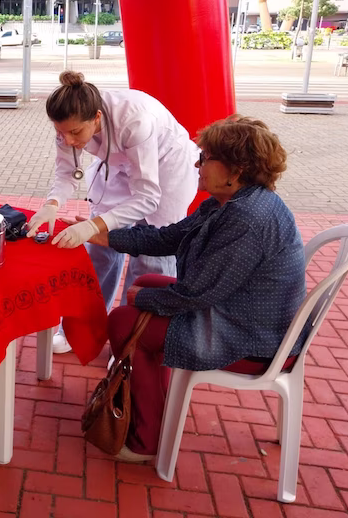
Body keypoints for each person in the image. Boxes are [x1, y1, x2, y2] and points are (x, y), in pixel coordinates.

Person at [80, 116, 307, 462]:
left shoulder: (246, 219)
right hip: (242, 312)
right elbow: (168, 237)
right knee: (141, 288)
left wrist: (143, 299)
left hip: (252, 337)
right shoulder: (231, 202)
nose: (197, 164)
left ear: (237, 167)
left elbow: (197, 294)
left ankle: (147, 441)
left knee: (124, 323)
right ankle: (157, 399)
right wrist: (97, 233)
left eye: (205, 158)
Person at [26, 71, 198, 354]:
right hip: (118, 166)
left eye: (75, 133)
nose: (68, 140)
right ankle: (82, 329)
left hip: (167, 169)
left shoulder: (135, 119)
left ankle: (132, 344)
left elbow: (148, 197)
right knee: (98, 251)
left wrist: (93, 225)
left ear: (96, 117)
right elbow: (66, 170)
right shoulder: (71, 120)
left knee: (151, 258)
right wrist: (52, 204)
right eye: (61, 133)